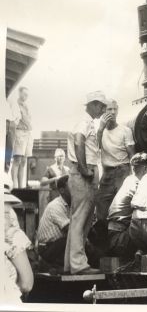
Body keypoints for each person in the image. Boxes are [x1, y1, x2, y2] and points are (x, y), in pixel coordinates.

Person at [64, 90, 106, 274]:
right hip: (84, 172)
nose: (103, 109)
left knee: (79, 219)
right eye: (101, 106)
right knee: (81, 219)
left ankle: (70, 264)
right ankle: (78, 265)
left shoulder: (86, 121)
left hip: (82, 171)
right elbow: (79, 141)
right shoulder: (85, 121)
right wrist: (83, 168)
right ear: (94, 104)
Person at [106, 153, 147, 259]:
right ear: (145, 169)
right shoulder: (138, 184)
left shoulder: (129, 179)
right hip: (121, 240)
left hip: (115, 237)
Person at [96, 99, 136, 221]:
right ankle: (104, 238)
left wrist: (133, 177)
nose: (112, 112)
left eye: (115, 109)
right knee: (101, 209)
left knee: (122, 209)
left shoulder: (125, 131)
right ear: (103, 111)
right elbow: (94, 148)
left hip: (122, 172)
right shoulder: (99, 132)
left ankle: (120, 238)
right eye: (109, 109)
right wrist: (100, 129)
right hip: (107, 173)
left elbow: (132, 155)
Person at [3, 172, 34, 303]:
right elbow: (26, 284)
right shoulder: (12, 236)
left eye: (7, 213)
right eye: (4, 213)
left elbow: (27, 285)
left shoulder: (13, 236)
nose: (8, 219)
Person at [36, 175, 71, 268]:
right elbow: (71, 229)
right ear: (62, 190)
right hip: (47, 248)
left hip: (57, 245)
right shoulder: (56, 205)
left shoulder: (70, 204)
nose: (75, 190)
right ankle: (50, 265)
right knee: (72, 239)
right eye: (71, 186)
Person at [10, 86, 33, 188]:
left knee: (24, 161)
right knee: (17, 160)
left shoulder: (27, 106)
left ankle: (21, 187)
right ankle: (14, 187)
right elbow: (18, 119)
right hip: (19, 132)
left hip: (28, 133)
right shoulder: (15, 105)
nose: (25, 96)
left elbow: (29, 119)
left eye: (27, 95)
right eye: (24, 94)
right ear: (19, 93)